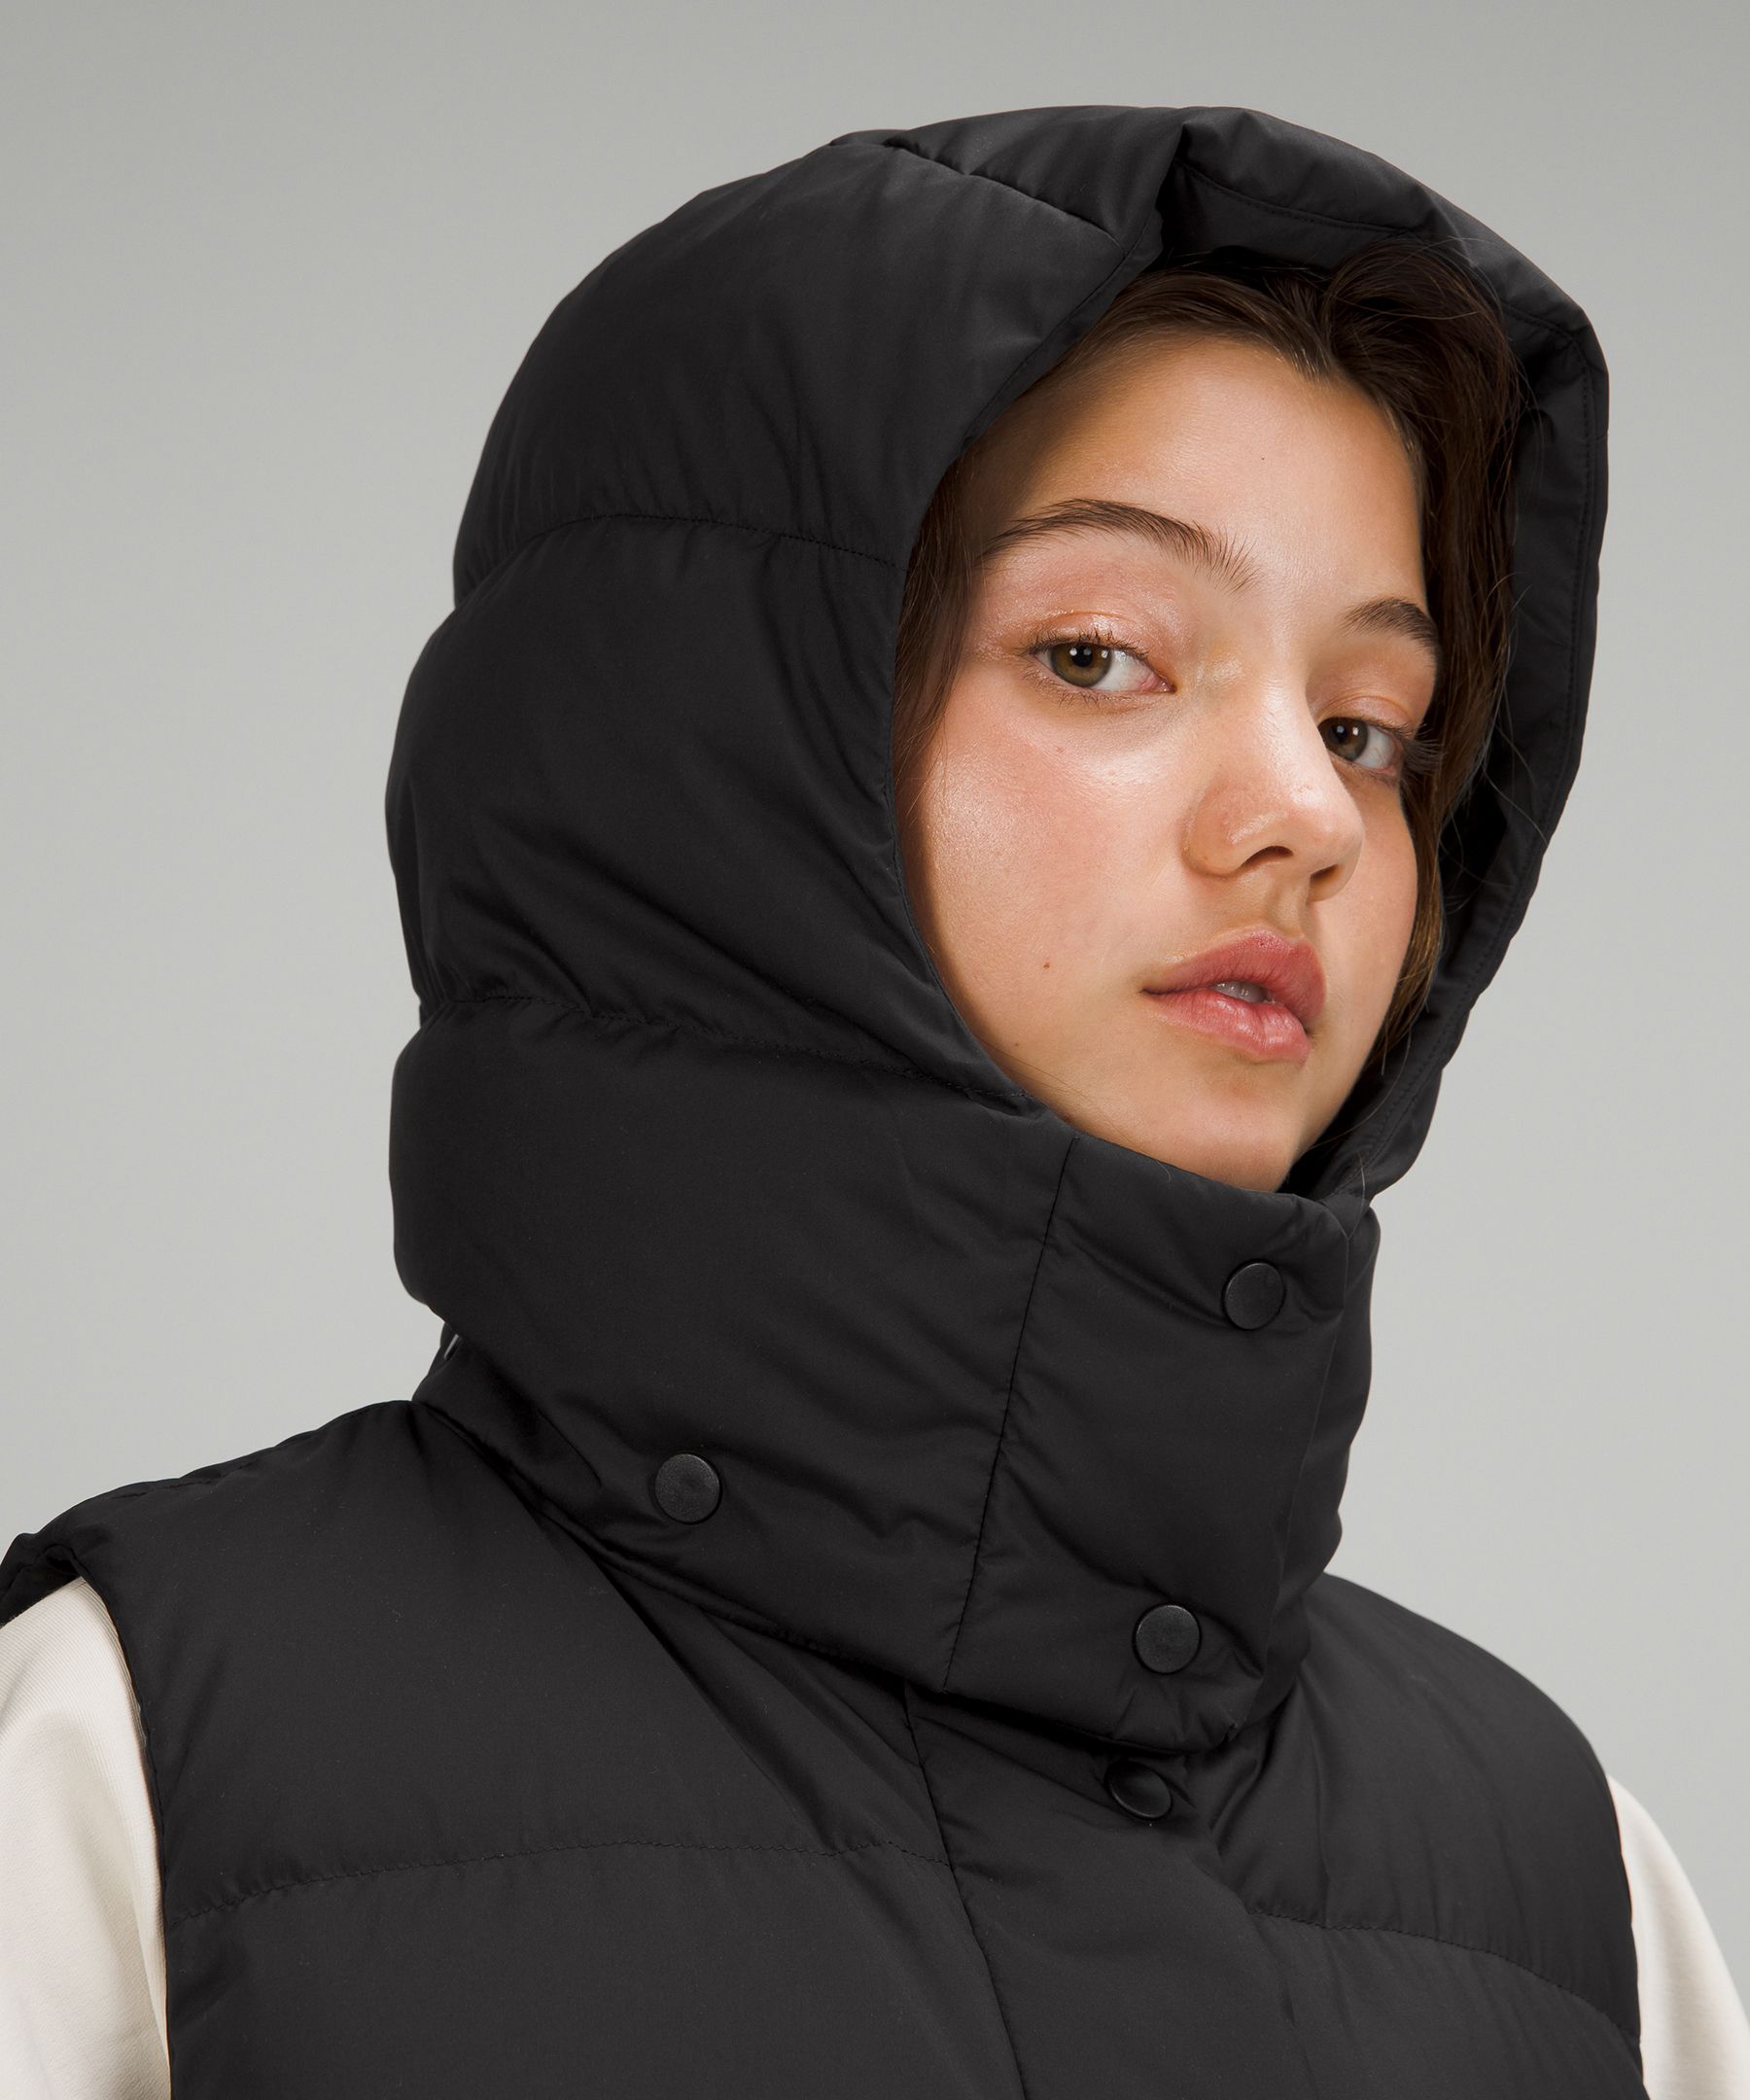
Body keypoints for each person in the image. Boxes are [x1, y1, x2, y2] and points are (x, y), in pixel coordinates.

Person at [1, 101, 1745, 2098]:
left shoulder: (1564, 1895)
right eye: (1098, 655)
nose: (1306, 816)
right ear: (711, 764)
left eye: (1369, 726)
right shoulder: (132, 1789)